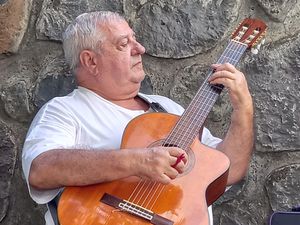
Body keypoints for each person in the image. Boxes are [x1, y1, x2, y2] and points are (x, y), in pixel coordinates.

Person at [22, 11, 254, 225]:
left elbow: (229, 171)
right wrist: (138, 161)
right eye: (124, 44)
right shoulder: (64, 111)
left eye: (135, 39)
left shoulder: (169, 109)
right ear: (91, 61)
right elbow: (41, 170)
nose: (140, 48)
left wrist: (243, 109)